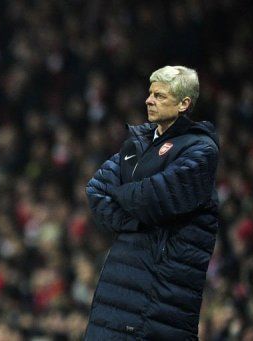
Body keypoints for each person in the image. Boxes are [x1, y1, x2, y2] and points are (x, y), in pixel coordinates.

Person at [85, 65, 220, 340]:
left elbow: (152, 199)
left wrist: (123, 193)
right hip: (116, 295)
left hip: (157, 302)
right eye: (150, 93)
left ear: (184, 104)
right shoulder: (137, 143)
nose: (148, 100)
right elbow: (96, 190)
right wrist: (137, 220)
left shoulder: (201, 150)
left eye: (159, 95)